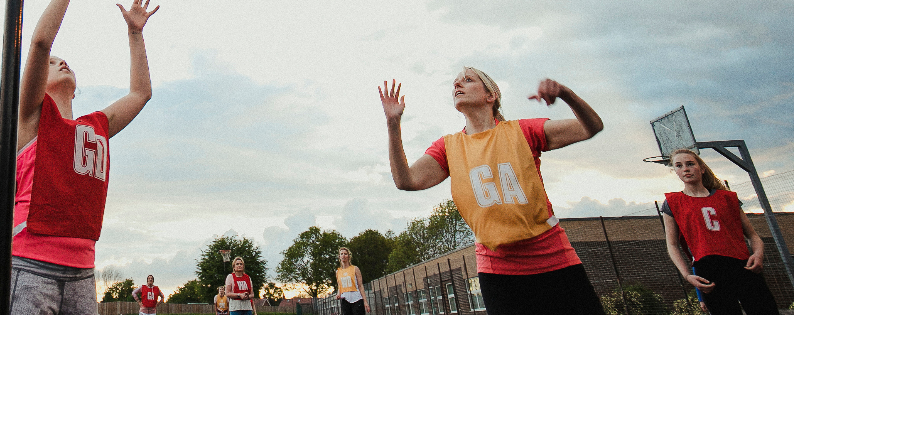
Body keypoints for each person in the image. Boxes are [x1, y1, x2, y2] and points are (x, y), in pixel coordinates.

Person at [8, 0, 159, 315]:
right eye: (55, 63)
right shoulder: (31, 116)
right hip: (31, 262)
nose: (62, 61)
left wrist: (135, 34)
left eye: (66, 60)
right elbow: (40, 42)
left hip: (82, 267)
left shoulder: (95, 126)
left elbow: (140, 93)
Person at [378, 68, 605, 315]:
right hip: (498, 272)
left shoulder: (523, 132)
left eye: (467, 80)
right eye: (455, 83)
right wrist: (393, 124)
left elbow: (590, 127)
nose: (457, 85)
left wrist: (566, 94)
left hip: (554, 260)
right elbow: (405, 180)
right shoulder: (448, 147)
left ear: (491, 95)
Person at [660, 148, 779, 314]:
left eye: (690, 164)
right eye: (679, 166)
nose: (685, 169)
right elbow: (672, 245)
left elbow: (753, 236)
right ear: (676, 172)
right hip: (708, 271)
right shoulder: (672, 202)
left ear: (701, 168)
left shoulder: (727, 198)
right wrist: (687, 275)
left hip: (742, 266)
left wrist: (758, 254)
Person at [333, 247, 366, 314]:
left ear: (348, 256)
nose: (343, 255)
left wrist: (365, 302)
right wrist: (338, 294)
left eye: (345, 254)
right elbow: (340, 286)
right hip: (345, 301)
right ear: (339, 257)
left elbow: (360, 286)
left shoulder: (355, 269)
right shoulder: (338, 272)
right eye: (341, 254)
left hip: (357, 299)